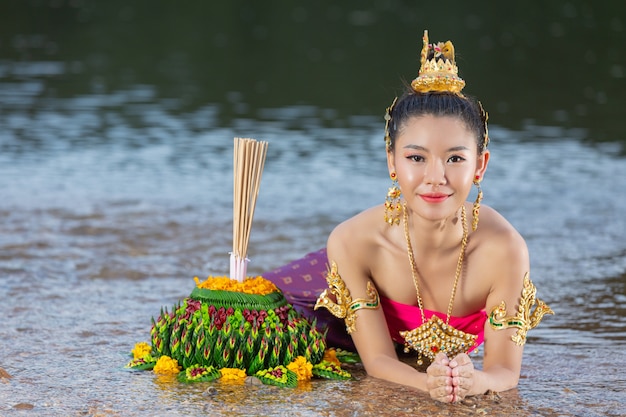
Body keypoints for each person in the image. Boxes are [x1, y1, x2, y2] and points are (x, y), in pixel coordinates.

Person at [263, 30, 552, 403]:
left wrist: (472, 382)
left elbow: (504, 371)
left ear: (480, 165)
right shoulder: (353, 242)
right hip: (318, 311)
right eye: (416, 158)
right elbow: (379, 360)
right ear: (392, 163)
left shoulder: (505, 251)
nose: (436, 177)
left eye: (455, 158)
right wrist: (429, 384)